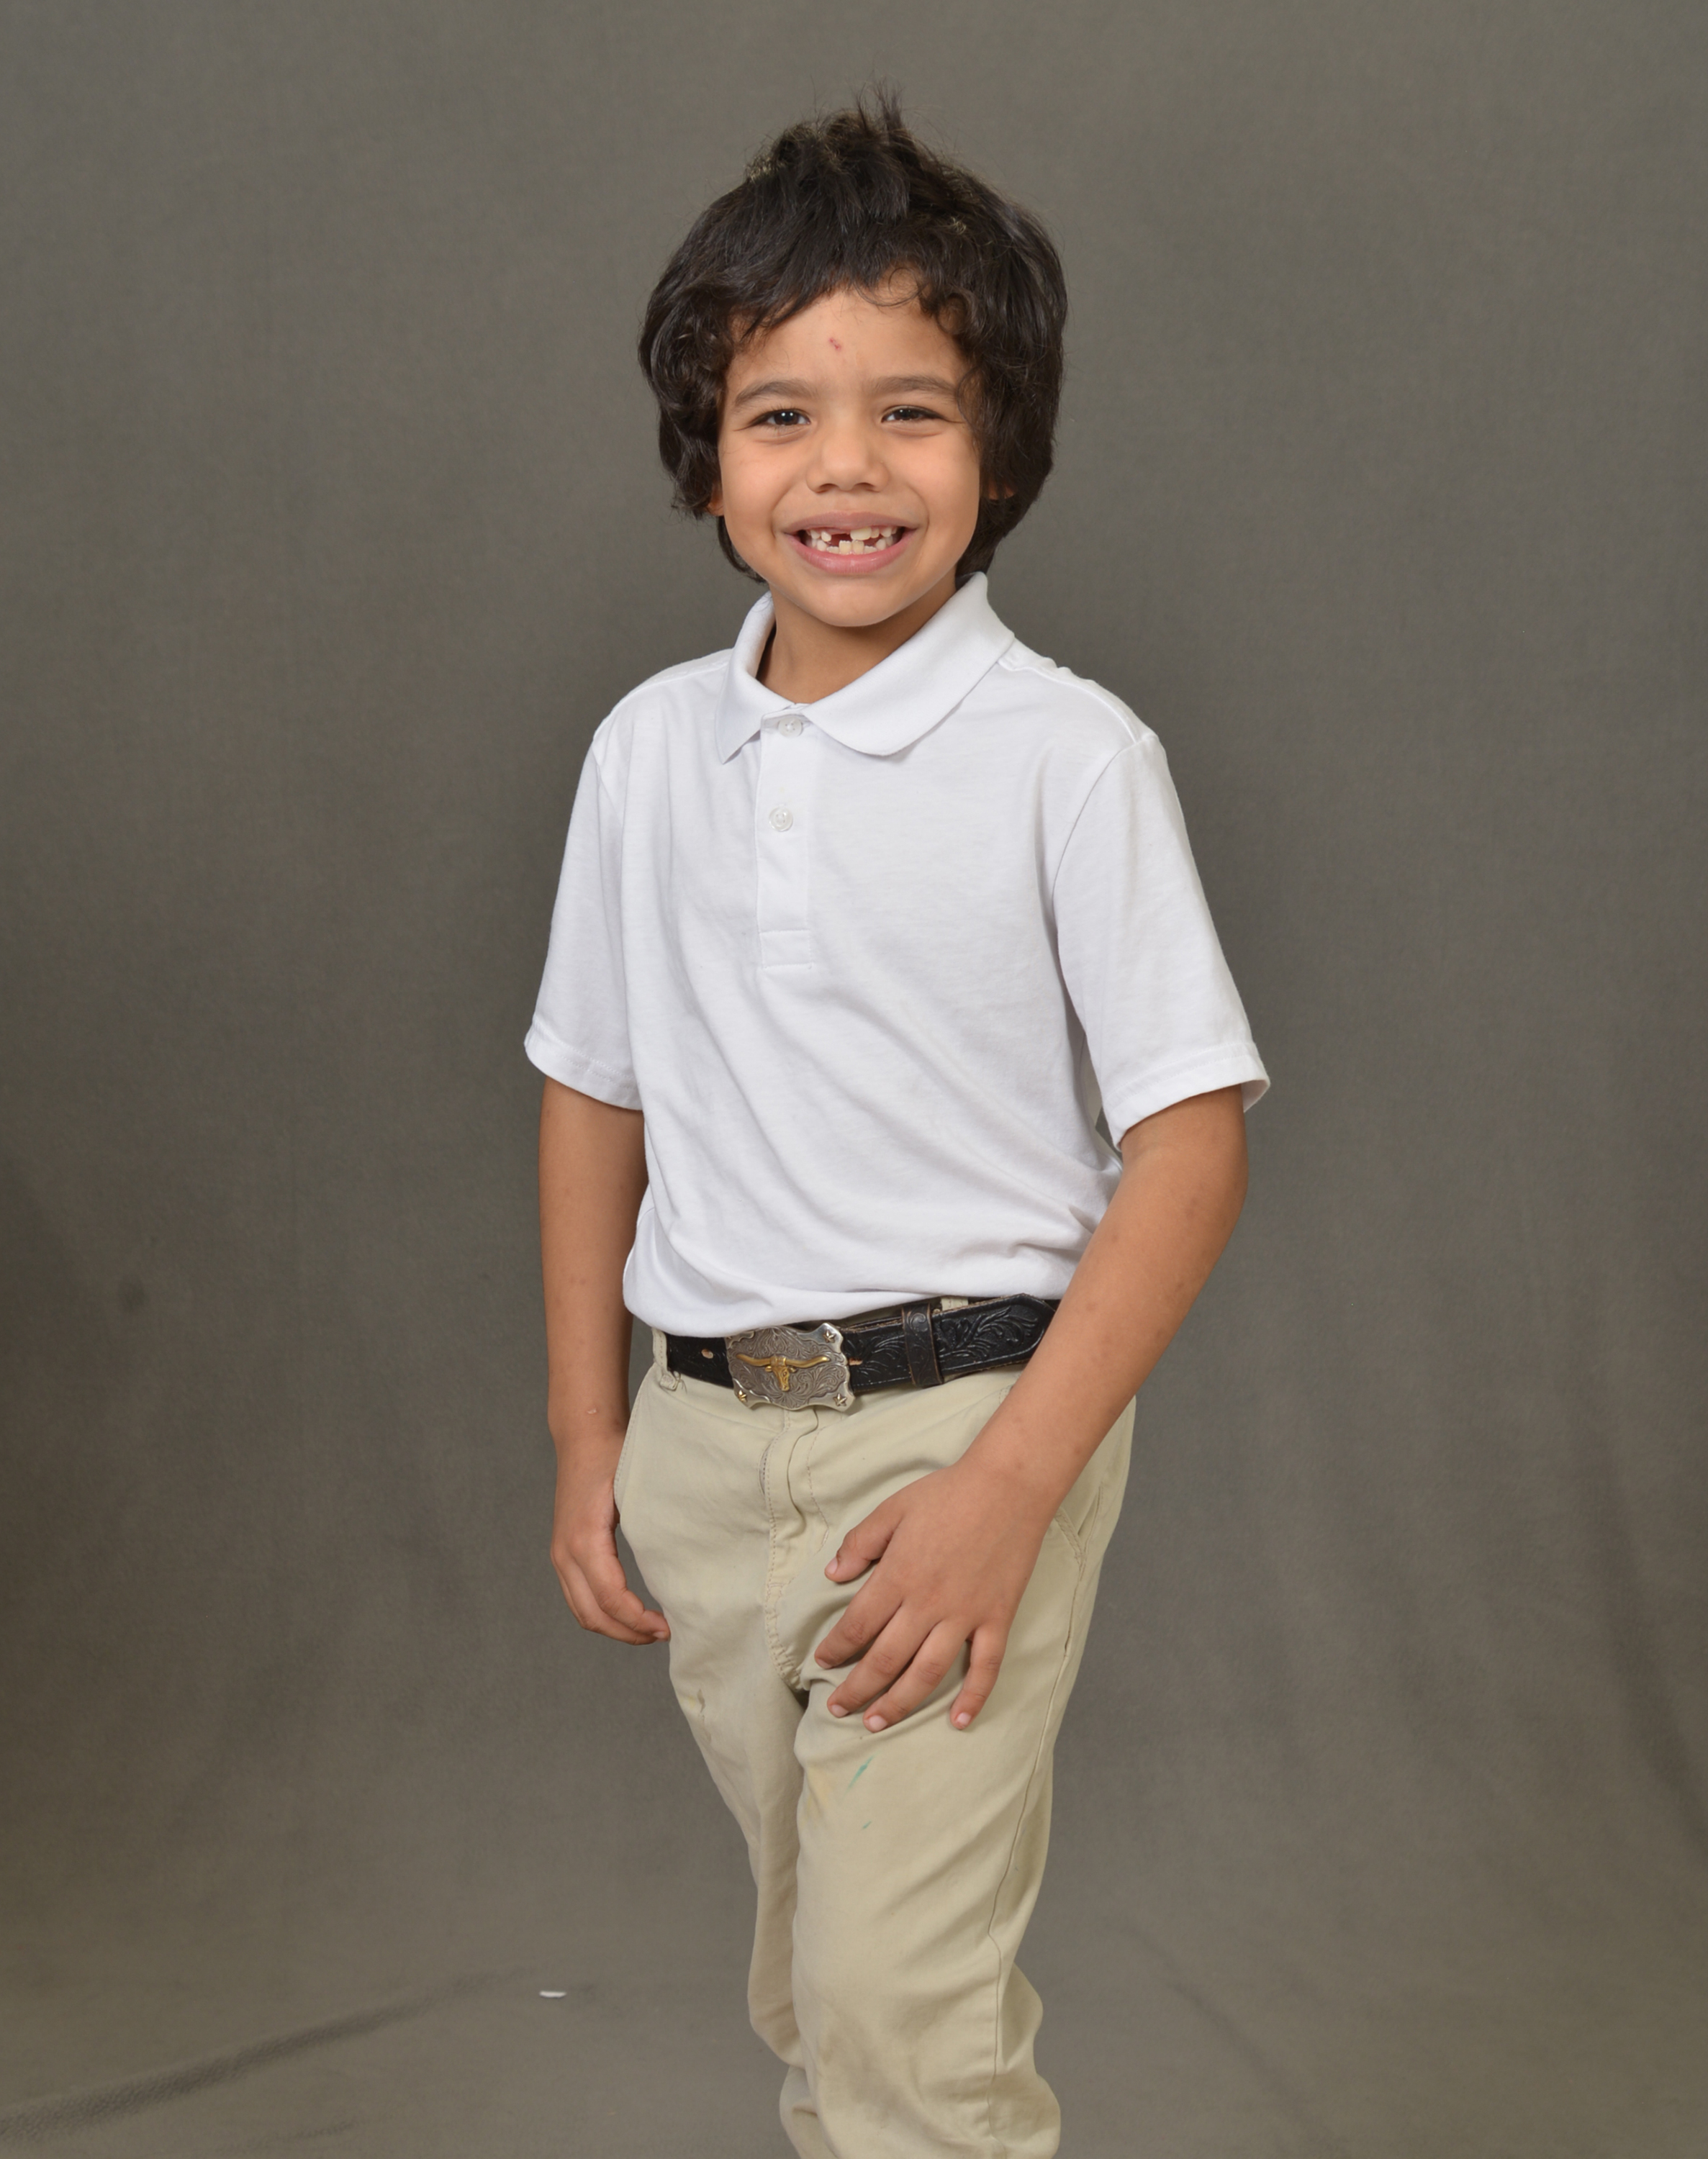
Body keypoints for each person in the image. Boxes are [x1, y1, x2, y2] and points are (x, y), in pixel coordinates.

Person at [528, 96, 1268, 2159]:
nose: (845, 468)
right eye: (780, 416)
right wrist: (591, 1437)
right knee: (819, 1978)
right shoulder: (650, 753)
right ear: (707, 460)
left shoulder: (1065, 758)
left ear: (997, 452)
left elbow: (1191, 1142)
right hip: (704, 1438)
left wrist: (1012, 1486)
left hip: (961, 1435)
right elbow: (593, 1091)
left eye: (911, 413)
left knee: (897, 2008)